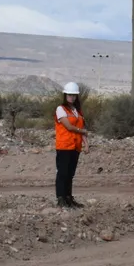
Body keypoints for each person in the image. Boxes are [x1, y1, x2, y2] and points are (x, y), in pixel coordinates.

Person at [54, 81, 89, 209]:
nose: (72, 97)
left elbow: (82, 127)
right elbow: (68, 126)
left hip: (75, 146)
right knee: (62, 173)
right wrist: (82, 132)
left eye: (74, 95)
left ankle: (69, 197)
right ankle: (61, 198)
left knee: (70, 173)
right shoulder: (60, 109)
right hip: (64, 146)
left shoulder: (77, 111)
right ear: (65, 95)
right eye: (70, 95)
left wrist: (86, 144)